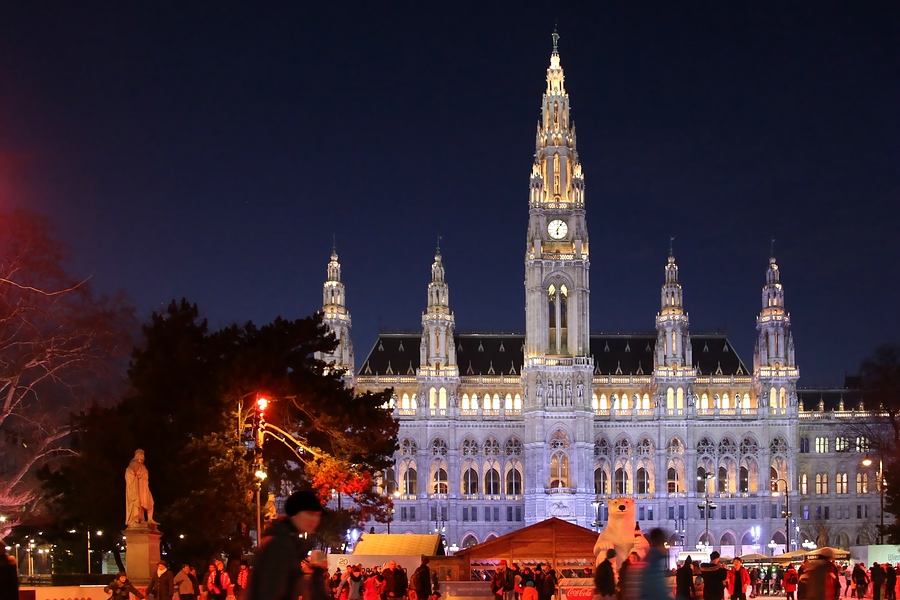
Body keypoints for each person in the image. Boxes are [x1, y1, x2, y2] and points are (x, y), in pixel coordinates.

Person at [246, 490, 324, 600]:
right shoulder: (280, 545)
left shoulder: (290, 543)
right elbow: (268, 592)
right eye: (310, 514)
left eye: (318, 515)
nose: (315, 520)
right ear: (295, 513)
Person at [125, 448, 156, 526]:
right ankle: (137, 519)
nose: (142, 457)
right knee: (138, 502)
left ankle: (150, 519)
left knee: (150, 502)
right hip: (138, 486)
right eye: (141, 455)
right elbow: (129, 472)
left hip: (144, 486)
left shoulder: (143, 466)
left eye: (143, 455)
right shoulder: (134, 463)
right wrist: (134, 476)